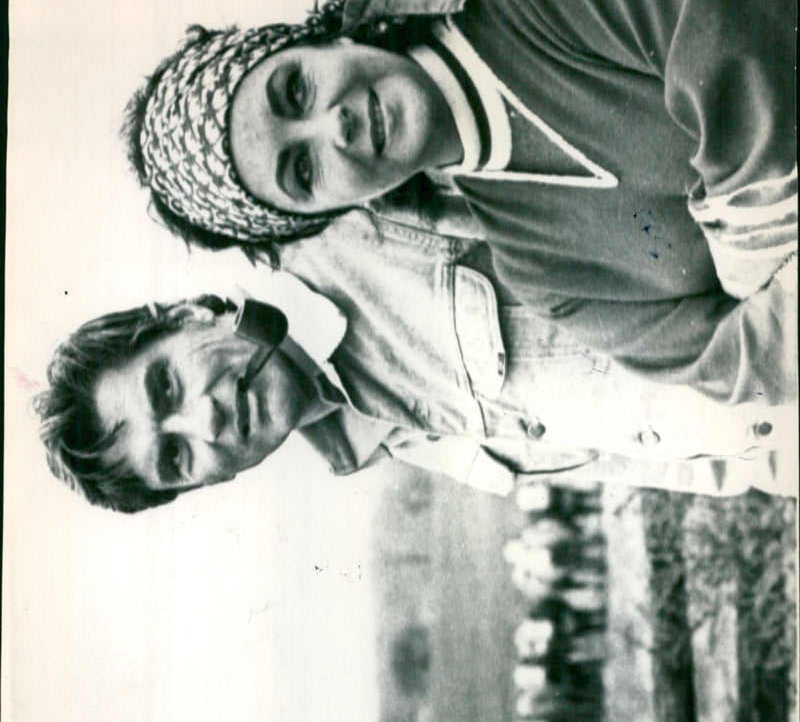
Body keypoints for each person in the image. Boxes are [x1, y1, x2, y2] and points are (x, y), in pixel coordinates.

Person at [123, 0, 797, 406]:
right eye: (303, 172)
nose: (335, 124)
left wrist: (747, 258)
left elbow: (746, 25)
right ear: (329, 214)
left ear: (318, 42)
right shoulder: (541, 269)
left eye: (294, 90)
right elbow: (742, 364)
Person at [34, 280, 796, 514]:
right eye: (175, 455)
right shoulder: (373, 438)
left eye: (166, 383)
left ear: (185, 317)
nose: (206, 418)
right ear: (207, 481)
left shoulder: (359, 253)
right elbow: (653, 458)